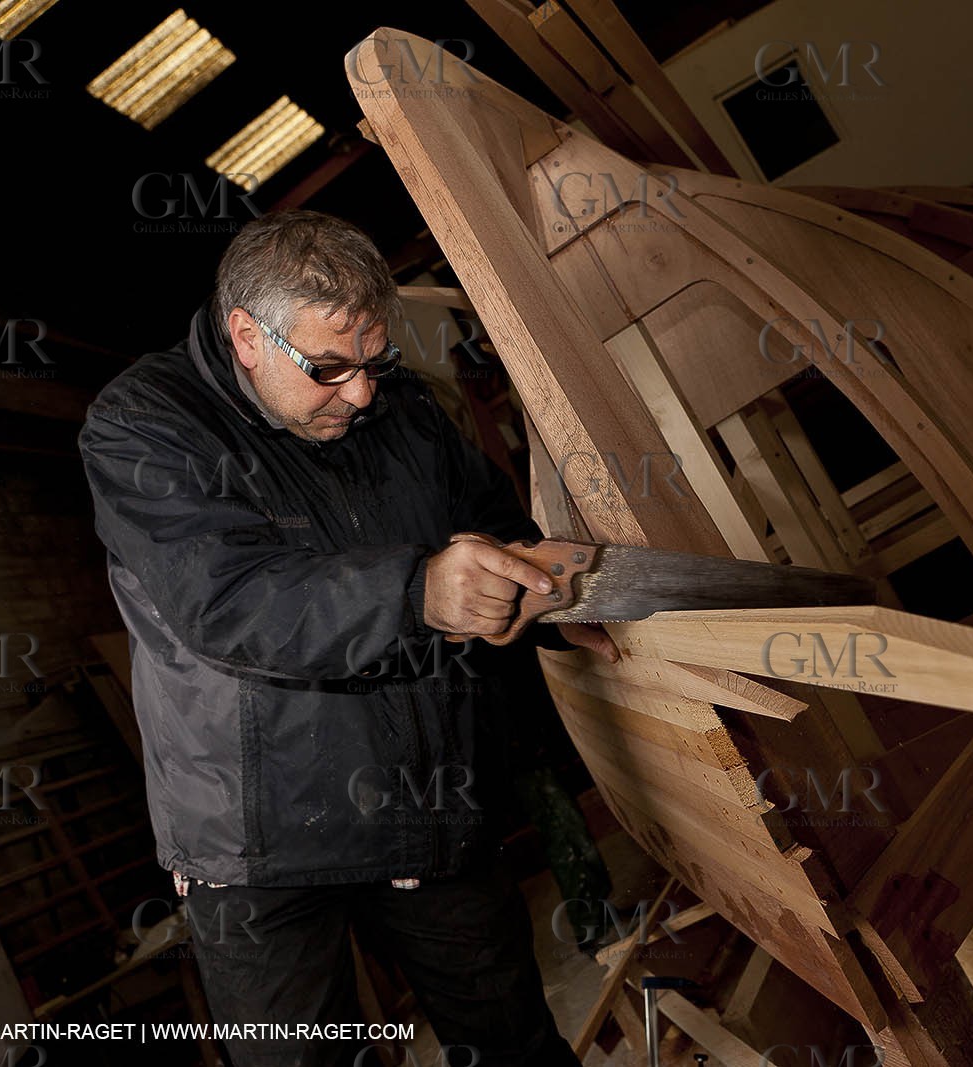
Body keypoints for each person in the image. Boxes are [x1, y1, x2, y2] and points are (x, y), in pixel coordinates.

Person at [78, 209, 617, 1067]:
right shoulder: (144, 427)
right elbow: (228, 600)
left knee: (516, 1044)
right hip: (258, 841)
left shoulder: (397, 410)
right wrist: (420, 589)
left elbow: (488, 523)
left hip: (426, 800)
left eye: (374, 362)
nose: (360, 393)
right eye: (329, 368)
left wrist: (543, 589)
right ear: (246, 335)